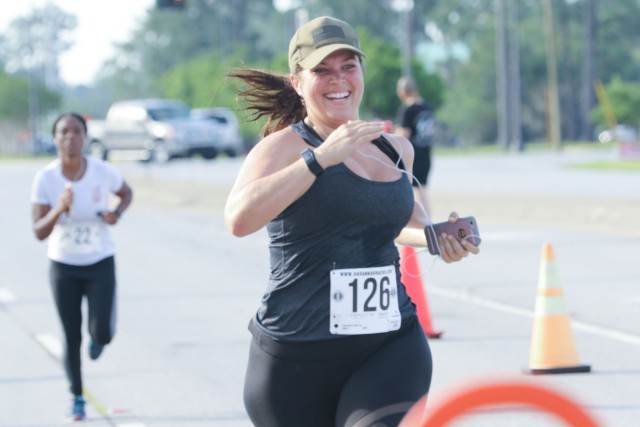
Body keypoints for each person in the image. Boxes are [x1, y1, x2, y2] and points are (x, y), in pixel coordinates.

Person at [225, 16, 479, 427]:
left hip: (389, 344)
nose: (337, 79)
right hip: (296, 355)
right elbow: (239, 219)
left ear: (361, 73)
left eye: (347, 67)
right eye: (321, 70)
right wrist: (320, 158)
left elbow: (403, 224)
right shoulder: (283, 148)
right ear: (297, 82)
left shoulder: (396, 148)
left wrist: (440, 238)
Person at [30, 112, 133, 422]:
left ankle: (99, 339)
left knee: (101, 331)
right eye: (64, 131)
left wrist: (116, 214)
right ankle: (76, 397)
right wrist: (59, 208)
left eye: (76, 131)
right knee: (70, 334)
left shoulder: (102, 171)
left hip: (99, 259)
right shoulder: (46, 178)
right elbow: (38, 231)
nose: (70, 137)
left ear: (85, 137)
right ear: (55, 138)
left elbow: (126, 193)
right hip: (63, 265)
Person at [395, 76, 435, 217]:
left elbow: (404, 134)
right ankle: (428, 223)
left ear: (402, 92)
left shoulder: (408, 109)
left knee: (408, 193)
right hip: (426, 154)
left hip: (412, 156)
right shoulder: (427, 107)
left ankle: (415, 223)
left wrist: (390, 134)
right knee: (422, 192)